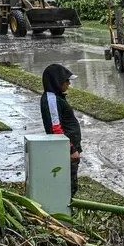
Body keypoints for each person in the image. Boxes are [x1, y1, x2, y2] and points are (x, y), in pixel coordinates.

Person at [40, 63, 82, 197]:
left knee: (69, 183)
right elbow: (56, 129)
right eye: (66, 81)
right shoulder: (51, 99)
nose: (69, 84)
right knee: (67, 185)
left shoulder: (56, 97)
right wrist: (71, 150)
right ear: (57, 81)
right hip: (64, 150)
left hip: (67, 148)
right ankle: (64, 212)